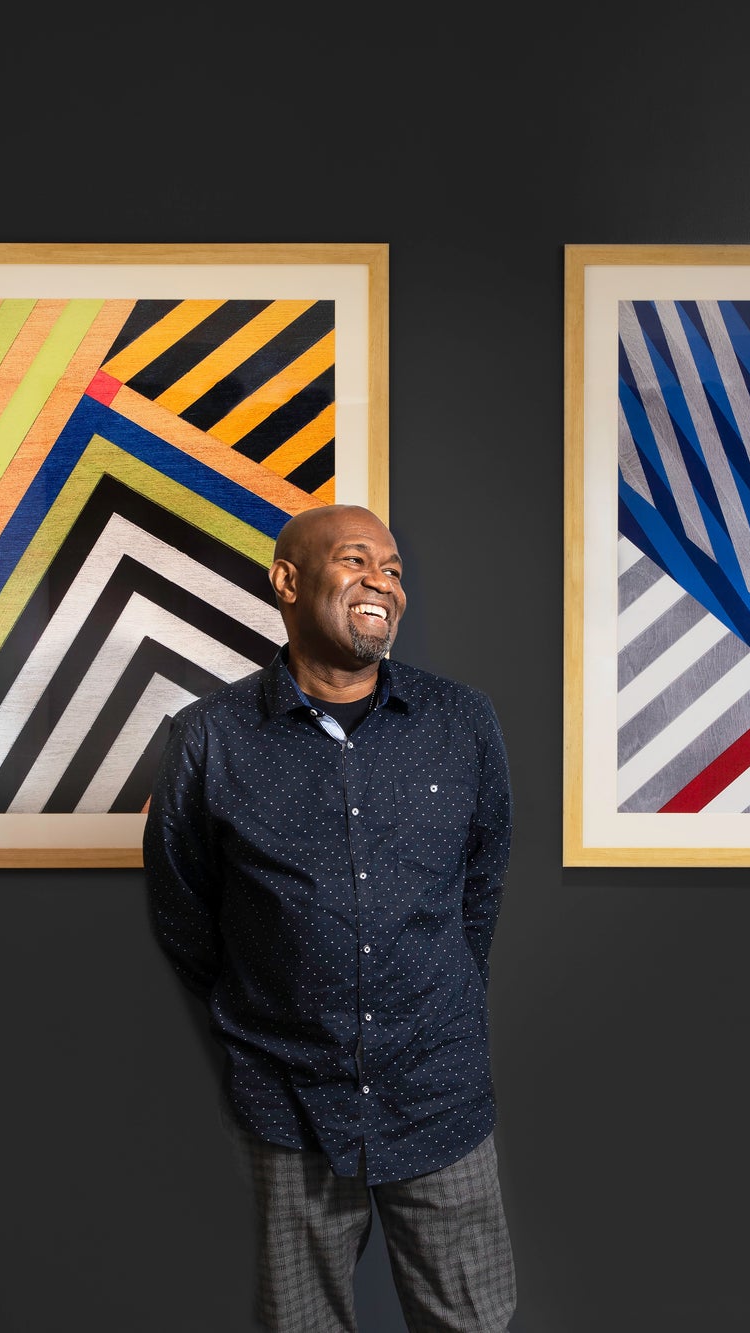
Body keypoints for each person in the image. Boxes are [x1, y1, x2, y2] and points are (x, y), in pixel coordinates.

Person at [145, 503, 516, 1332]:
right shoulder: (207, 740)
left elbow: (480, 890)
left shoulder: (462, 723)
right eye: (357, 561)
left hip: (437, 1091)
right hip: (288, 1098)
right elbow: (183, 911)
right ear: (287, 581)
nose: (383, 581)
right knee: (301, 1325)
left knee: (473, 1323)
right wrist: (273, 1009)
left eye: (392, 569)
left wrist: (432, 997)